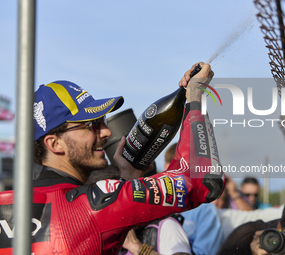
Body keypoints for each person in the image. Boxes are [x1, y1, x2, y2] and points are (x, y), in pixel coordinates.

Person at [0, 62, 225, 254]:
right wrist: (195, 100)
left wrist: (128, 178)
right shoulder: (96, 204)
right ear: (54, 143)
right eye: (91, 125)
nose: (106, 132)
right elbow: (203, 180)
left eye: (103, 122)